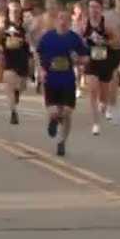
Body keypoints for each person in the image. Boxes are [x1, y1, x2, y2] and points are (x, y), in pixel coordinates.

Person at [36, 9, 89, 156]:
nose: (63, 21)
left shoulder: (74, 39)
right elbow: (38, 54)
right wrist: (41, 70)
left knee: (67, 112)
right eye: (60, 18)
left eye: (66, 19)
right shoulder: (48, 37)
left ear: (70, 22)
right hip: (51, 79)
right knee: (53, 111)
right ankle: (54, 120)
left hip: (68, 80)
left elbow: (86, 58)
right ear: (56, 21)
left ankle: (61, 142)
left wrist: (78, 60)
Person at [81, 0, 120, 135]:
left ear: (101, 9)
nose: (94, 10)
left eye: (96, 7)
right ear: (88, 9)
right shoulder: (83, 24)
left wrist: (105, 41)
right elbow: (78, 40)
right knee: (92, 90)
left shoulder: (107, 25)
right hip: (91, 61)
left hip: (105, 61)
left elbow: (116, 42)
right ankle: (96, 123)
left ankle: (103, 107)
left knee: (103, 96)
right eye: (91, 7)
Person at [0, 0, 33, 124]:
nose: (15, 13)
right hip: (8, 56)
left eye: (17, 10)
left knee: (22, 85)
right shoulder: (3, 23)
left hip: (22, 56)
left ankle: (17, 93)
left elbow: (31, 38)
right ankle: (13, 112)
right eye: (12, 11)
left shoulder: (25, 24)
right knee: (9, 83)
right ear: (9, 11)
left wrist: (29, 41)